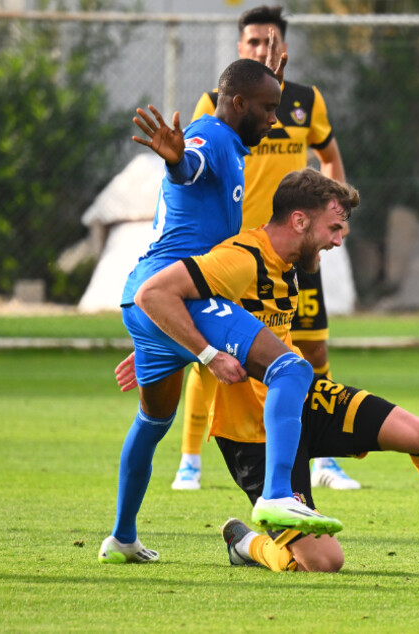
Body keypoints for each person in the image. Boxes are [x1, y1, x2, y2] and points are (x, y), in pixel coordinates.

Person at [114, 173, 419, 573]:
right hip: (251, 434)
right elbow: (157, 295)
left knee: (417, 433)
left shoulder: (290, 266)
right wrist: (181, 348)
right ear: (301, 221)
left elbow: (210, 317)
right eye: (334, 228)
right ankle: (247, 545)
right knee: (324, 563)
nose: (339, 241)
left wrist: (170, 343)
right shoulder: (241, 257)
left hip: (302, 401)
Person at [98, 59, 347, 564]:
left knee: (151, 422)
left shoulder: (232, 140)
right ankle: (279, 494)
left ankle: (122, 537)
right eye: (268, 108)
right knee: (291, 367)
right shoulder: (208, 136)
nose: (275, 119)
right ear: (237, 104)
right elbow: (189, 167)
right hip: (177, 294)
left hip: (147, 298)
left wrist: (160, 335)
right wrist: (173, 160)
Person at [172, 3, 357, 493]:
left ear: (284, 47)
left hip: (294, 250)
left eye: (269, 41)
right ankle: (190, 458)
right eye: (253, 42)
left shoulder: (303, 101)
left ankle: (321, 456)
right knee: (214, 350)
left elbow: (330, 157)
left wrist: (332, 217)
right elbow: (194, 164)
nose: (262, 48)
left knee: (311, 345)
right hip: (238, 252)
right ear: (240, 49)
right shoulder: (217, 104)